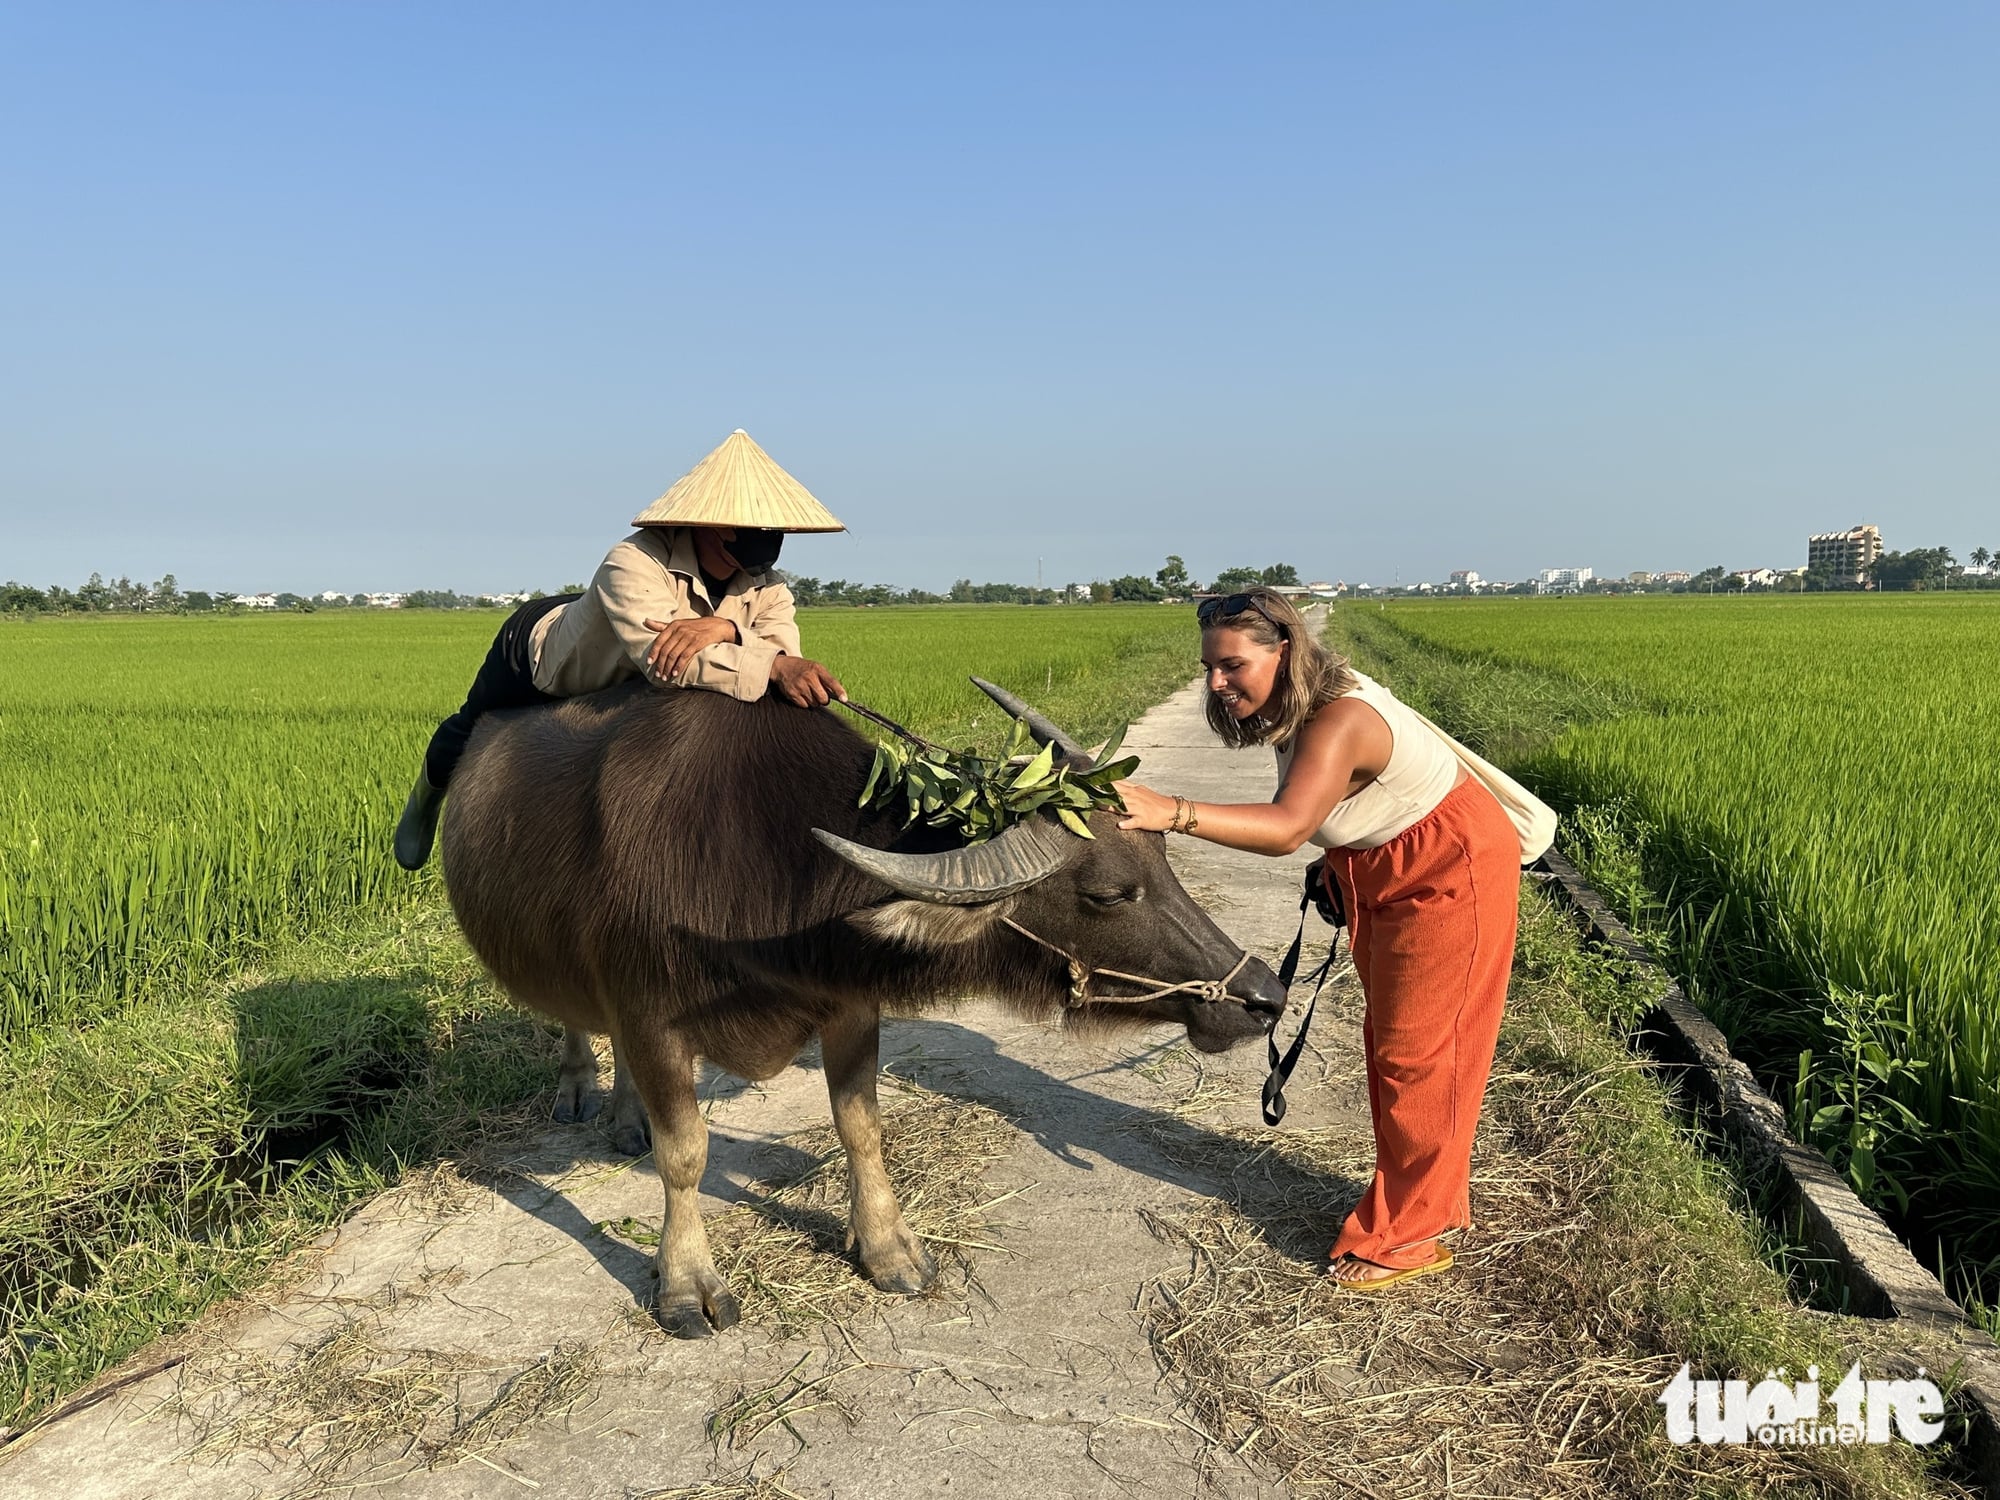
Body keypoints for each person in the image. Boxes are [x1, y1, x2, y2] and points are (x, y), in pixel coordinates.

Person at [1115, 588, 1521, 1292]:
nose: (1217, 682)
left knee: (1422, 1053)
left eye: (1233, 665)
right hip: (1382, 866)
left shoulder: (1340, 721)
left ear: (1286, 652)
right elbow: (1334, 814)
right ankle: (1421, 1200)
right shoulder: (1298, 707)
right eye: (1210, 666)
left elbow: (1286, 826)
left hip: (1447, 868)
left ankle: (1411, 1235)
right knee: (1394, 1044)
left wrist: (1169, 811)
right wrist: (1342, 862)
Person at [393, 429, 848, 870]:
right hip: (551, 652)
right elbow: (666, 661)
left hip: (627, 670)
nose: (765, 536)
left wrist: (726, 627)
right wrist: (765, 660)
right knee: (472, 724)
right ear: (711, 524)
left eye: (771, 526)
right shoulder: (632, 562)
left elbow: (780, 658)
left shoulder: (768, 587)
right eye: (750, 525)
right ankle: (425, 800)